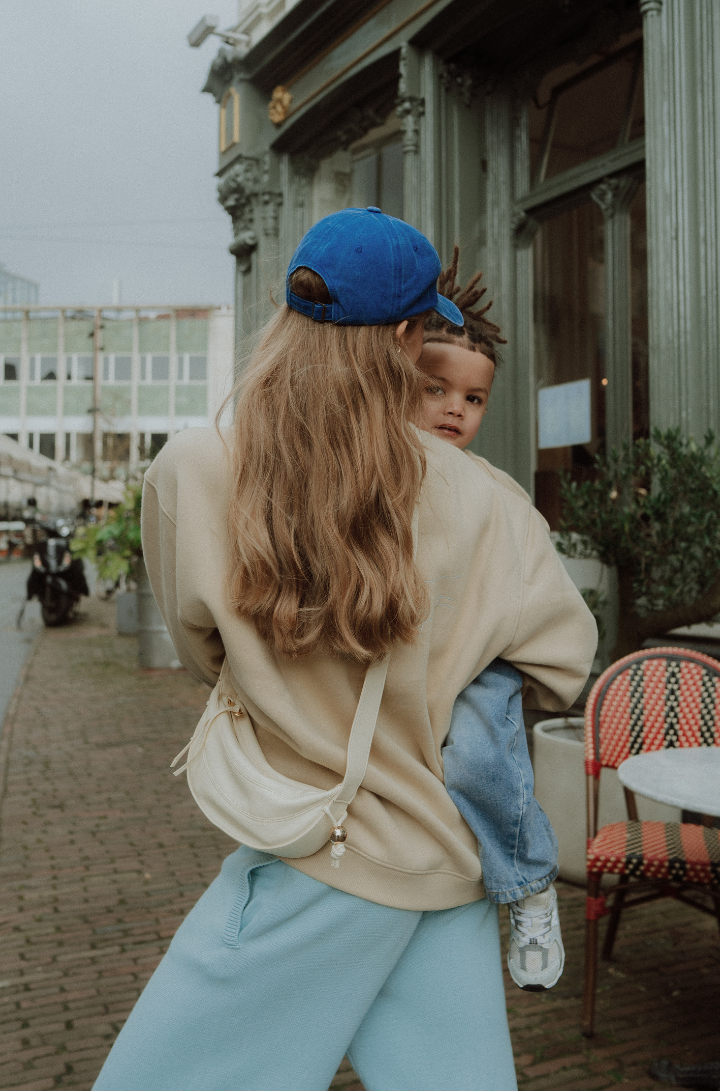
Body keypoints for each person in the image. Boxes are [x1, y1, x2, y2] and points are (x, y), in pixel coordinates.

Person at [92, 208, 596, 1091]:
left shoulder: (196, 470)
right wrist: (441, 690)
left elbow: (206, 649)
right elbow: (560, 663)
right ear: (405, 337)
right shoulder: (491, 501)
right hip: (445, 856)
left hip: (315, 859)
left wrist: (291, 689)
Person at [417, 248, 566, 991]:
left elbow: (530, 573)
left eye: (473, 399)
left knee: (480, 755)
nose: (455, 409)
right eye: (436, 389)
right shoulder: (377, 465)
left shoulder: (496, 487)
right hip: (416, 650)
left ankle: (528, 883)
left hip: (482, 657)